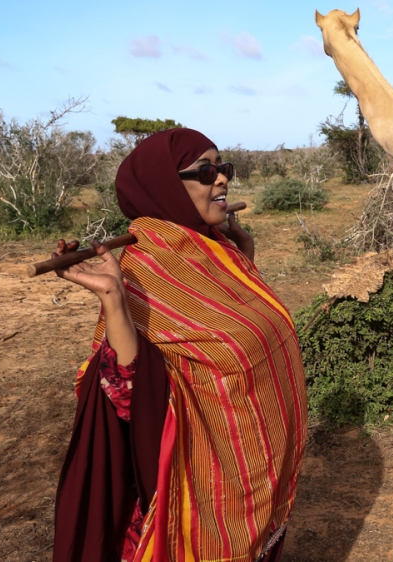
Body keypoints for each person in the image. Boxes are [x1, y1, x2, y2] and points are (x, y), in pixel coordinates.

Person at [49, 128, 306, 562]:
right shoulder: (145, 267)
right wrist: (113, 299)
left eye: (223, 168)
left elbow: (239, 331)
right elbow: (134, 389)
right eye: (206, 171)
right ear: (165, 184)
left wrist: (247, 255)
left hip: (257, 472)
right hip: (209, 484)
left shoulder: (216, 249)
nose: (221, 179)